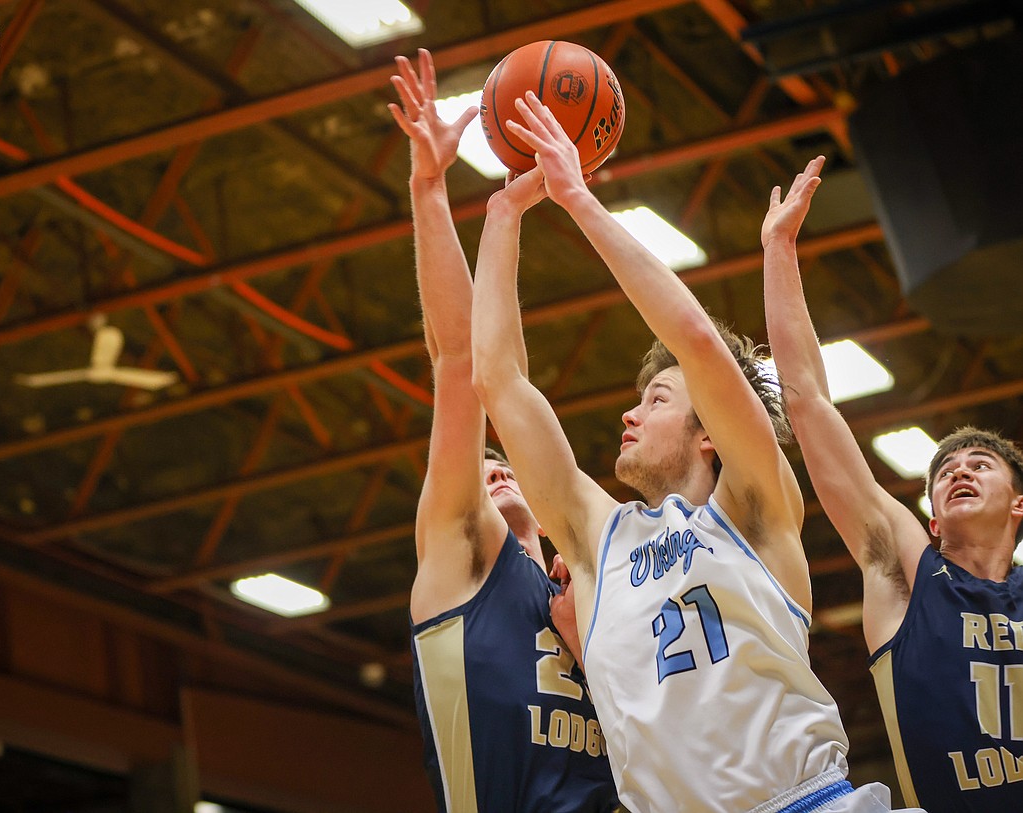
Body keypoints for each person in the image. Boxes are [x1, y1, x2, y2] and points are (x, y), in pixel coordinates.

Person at [470, 92, 915, 813]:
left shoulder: (754, 508)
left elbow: (699, 342)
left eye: (658, 399)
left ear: (710, 431)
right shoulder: (596, 539)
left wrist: (579, 199)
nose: (630, 410)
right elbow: (498, 378)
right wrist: (502, 216)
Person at [390, 51, 619, 813]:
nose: (490, 471)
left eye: (503, 465)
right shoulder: (459, 553)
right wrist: (431, 189)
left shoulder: (585, 593)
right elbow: (461, 363)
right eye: (479, 468)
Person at [763, 154, 1023, 811]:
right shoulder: (907, 572)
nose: (959, 469)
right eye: (944, 472)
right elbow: (811, 404)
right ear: (931, 517)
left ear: (1018, 505)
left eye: (979, 464)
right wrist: (779, 252)